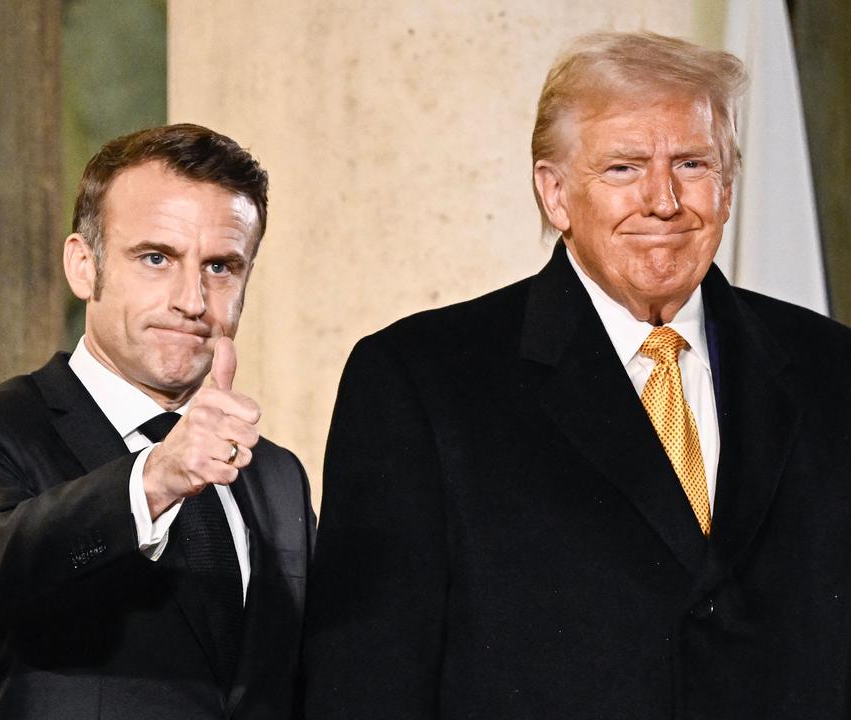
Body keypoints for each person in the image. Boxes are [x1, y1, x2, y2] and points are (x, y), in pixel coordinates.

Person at [304, 31, 851, 719]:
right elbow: (364, 685)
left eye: (691, 163)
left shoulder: (834, 373)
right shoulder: (422, 382)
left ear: (729, 186)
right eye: (623, 168)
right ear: (554, 193)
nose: (663, 200)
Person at [0, 123, 314, 720]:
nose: (193, 300)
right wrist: (157, 476)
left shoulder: (276, 477)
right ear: (83, 266)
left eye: (222, 267)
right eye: (156, 258)